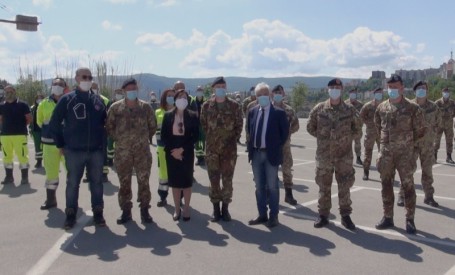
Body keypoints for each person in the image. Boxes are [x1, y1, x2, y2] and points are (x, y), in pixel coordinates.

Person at [49, 67, 107, 229]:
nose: (87, 80)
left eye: (89, 77)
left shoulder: (97, 100)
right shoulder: (67, 100)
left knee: (97, 183)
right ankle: (70, 215)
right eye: (84, 77)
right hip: (74, 151)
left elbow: (106, 124)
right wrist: (60, 144)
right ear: (76, 78)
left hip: (95, 151)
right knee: (73, 183)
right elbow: (54, 123)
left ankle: (98, 213)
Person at [374, 75, 425, 234]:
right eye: (390, 87)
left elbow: (420, 131)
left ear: (402, 88)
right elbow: (378, 128)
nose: (392, 90)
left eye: (395, 87)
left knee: (408, 187)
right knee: (386, 185)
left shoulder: (412, 108)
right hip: (386, 155)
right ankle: (388, 217)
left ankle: (410, 220)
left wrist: (409, 148)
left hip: (405, 155)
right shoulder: (381, 108)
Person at [306, 78, 360, 231]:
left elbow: (357, 130)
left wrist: (344, 139)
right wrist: (324, 139)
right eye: (332, 87)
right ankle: (323, 215)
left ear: (342, 89)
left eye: (337, 87)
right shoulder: (320, 109)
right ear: (327, 89)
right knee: (324, 186)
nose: (334, 89)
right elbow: (311, 127)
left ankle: (345, 216)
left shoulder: (349, 110)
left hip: (344, 156)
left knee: (344, 186)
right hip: (324, 155)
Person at [106, 78, 157, 224]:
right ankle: (126, 211)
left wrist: (143, 139)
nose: (131, 92)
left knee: (144, 181)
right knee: (124, 182)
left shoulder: (145, 107)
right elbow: (109, 127)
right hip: (123, 153)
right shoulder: (115, 108)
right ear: (123, 91)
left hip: (142, 153)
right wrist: (121, 140)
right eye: (128, 90)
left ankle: (145, 210)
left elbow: (152, 126)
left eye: (134, 89)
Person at [200, 76, 243, 222]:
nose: (221, 89)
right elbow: (204, 125)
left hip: (229, 151)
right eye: (218, 87)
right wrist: (214, 138)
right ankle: (215, 210)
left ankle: (225, 209)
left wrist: (229, 140)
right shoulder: (206, 106)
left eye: (223, 86)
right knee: (213, 180)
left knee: (227, 180)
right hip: (212, 150)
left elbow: (239, 126)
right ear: (213, 89)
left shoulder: (234, 106)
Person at [247, 83, 289, 228]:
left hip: (270, 155)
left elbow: (284, 135)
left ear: (270, 95)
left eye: (265, 94)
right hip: (256, 154)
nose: (262, 97)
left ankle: (274, 216)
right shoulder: (252, 112)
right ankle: (262, 214)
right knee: (259, 187)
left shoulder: (279, 112)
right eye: (259, 95)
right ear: (256, 97)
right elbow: (249, 132)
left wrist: (274, 147)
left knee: (272, 186)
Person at [396, 81, 440, 208]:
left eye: (424, 88)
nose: (422, 90)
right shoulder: (408, 106)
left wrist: (431, 137)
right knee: (407, 171)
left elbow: (438, 122)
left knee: (428, 171)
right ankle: (402, 195)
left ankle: (429, 197)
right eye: (419, 88)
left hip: (427, 145)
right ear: (415, 91)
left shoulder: (433, 107)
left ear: (427, 90)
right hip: (412, 145)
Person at [161, 89, 199, 221]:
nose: (183, 99)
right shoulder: (167, 115)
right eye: (180, 97)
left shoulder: (193, 116)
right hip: (172, 153)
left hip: (186, 151)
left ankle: (187, 208)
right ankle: (177, 209)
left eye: (185, 97)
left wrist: (182, 149)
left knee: (187, 182)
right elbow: (164, 136)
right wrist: (173, 151)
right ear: (175, 99)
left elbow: (196, 137)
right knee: (175, 183)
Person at [37, 78, 67, 210]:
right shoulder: (43, 104)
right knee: (51, 174)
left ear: (65, 87)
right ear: (51, 86)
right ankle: (51, 200)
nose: (57, 86)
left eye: (60, 84)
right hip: (49, 145)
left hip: (67, 145)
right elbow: (39, 122)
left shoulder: (69, 101)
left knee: (72, 173)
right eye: (55, 84)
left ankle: (72, 202)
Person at [271, 85, 300, 205]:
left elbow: (296, 125)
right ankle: (271, 197)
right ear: (272, 94)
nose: (278, 94)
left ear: (283, 94)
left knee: (287, 169)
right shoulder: (267, 108)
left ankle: (289, 195)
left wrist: (286, 133)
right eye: (276, 92)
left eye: (280, 92)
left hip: (285, 145)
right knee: (271, 171)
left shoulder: (288, 110)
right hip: (270, 145)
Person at [0, 85, 32, 185]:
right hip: (5, 135)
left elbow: (29, 118)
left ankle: (24, 178)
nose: (8, 93)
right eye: (6, 92)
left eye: (10, 91)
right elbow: (0, 119)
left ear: (14, 91)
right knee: (7, 157)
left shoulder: (23, 104)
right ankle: (9, 177)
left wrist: (21, 126)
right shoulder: (1, 105)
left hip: (20, 134)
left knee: (22, 156)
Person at [155, 89, 176, 207]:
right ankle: (163, 196)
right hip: (162, 148)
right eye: (168, 96)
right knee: (163, 173)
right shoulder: (158, 112)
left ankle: (179, 198)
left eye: (173, 96)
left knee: (177, 173)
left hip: (176, 148)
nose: (171, 98)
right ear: (164, 97)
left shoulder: (179, 112)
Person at [359, 87, 383, 180]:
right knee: (367, 153)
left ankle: (383, 173)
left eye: (381, 93)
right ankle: (366, 172)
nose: (379, 95)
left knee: (383, 154)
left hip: (382, 133)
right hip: (370, 133)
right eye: (377, 93)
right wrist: (368, 123)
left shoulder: (385, 105)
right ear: (374, 94)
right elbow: (361, 116)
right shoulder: (368, 106)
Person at [434, 87, 455, 164]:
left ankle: (449, 157)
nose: (446, 93)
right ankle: (434, 156)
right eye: (444, 92)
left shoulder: (452, 103)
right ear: (442, 93)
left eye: (447, 92)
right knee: (436, 141)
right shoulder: (437, 103)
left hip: (449, 126)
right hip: (439, 126)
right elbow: (433, 115)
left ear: (449, 93)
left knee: (449, 141)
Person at [345, 89, 364, 165]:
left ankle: (358, 158)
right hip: (347, 128)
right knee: (347, 144)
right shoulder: (345, 103)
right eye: (351, 93)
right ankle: (347, 159)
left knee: (358, 144)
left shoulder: (360, 105)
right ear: (349, 94)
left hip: (357, 128)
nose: (353, 95)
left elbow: (363, 116)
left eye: (354, 94)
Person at [106, 88, 124, 167]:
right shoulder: (110, 102)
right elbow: (107, 113)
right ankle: (110, 159)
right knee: (110, 144)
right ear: (114, 93)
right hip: (112, 127)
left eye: (120, 93)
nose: (119, 94)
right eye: (117, 93)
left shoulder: (124, 102)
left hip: (122, 128)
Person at [30, 94, 45, 168]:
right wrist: (30, 128)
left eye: (41, 98)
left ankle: (48, 161)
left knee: (45, 146)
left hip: (45, 130)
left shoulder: (45, 106)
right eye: (38, 98)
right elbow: (30, 119)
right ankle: (39, 161)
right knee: (37, 146)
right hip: (35, 130)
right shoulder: (32, 108)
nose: (39, 100)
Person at [194, 86, 206, 166]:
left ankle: (202, 157)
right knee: (197, 142)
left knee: (202, 142)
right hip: (195, 124)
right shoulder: (193, 101)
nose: (199, 92)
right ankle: (199, 158)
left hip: (203, 125)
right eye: (198, 90)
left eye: (201, 90)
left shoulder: (205, 102)